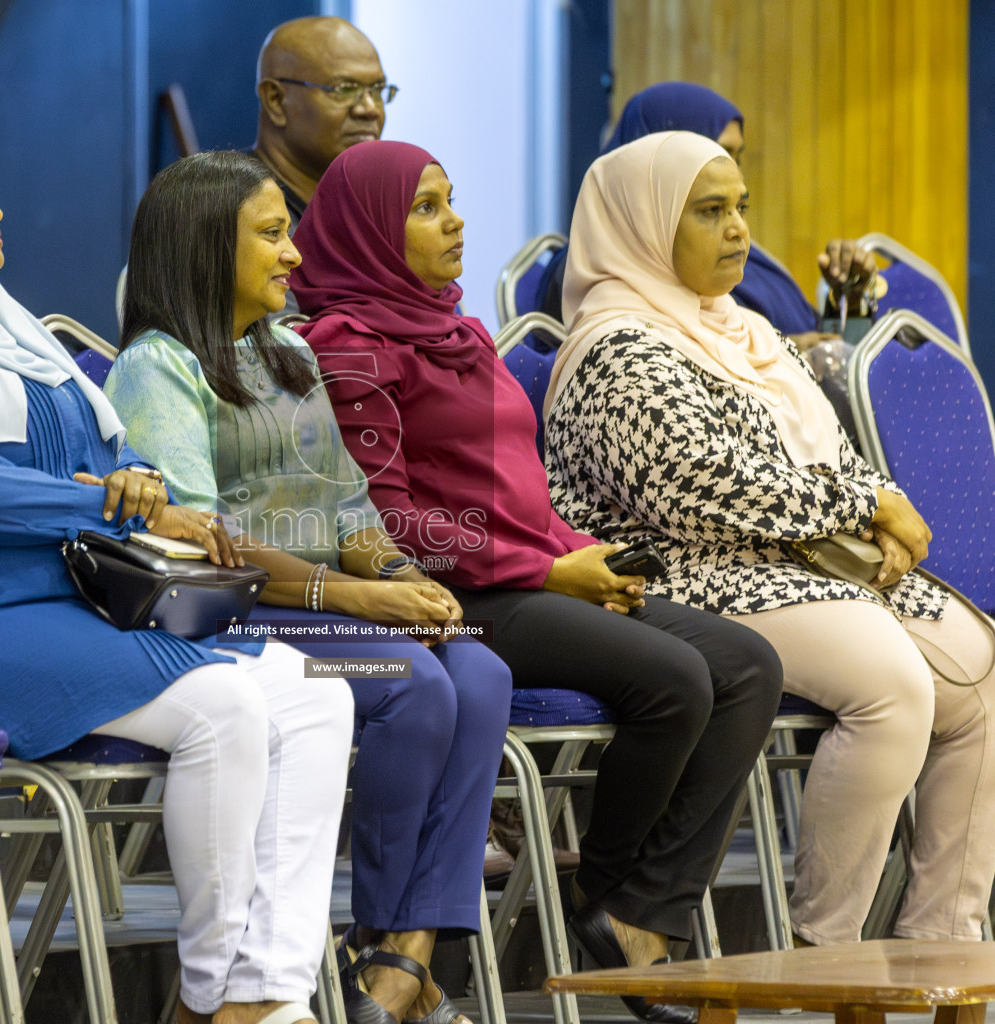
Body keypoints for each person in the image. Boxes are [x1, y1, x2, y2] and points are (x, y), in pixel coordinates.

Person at [0, 114, 352, 1024]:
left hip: (61, 608)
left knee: (318, 692)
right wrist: (109, 500)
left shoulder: (4, 331)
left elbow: (95, 457)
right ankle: (217, 996)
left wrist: (127, 482)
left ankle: (267, 988)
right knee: (224, 707)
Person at [291, 139, 784, 1024]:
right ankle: (598, 892)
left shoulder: (459, 329)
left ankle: (637, 912)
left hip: (529, 577)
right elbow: (391, 525)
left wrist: (585, 559)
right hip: (456, 600)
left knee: (748, 664)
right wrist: (551, 570)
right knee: (674, 680)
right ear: (369, 228)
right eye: (427, 207)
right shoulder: (349, 347)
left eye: (453, 201)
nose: (457, 222)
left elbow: (522, 487)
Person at [545, 129, 995, 945]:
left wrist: (874, 505)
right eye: (710, 212)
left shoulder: (747, 331)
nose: (739, 230)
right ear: (642, 224)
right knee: (894, 686)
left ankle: (943, 944)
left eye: (741, 208)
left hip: (802, 568)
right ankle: (824, 948)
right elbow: (698, 487)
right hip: (690, 576)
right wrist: (866, 503)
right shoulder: (615, 346)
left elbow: (834, 457)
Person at [103, 149, 511, 1024]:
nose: (294, 256)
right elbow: (207, 541)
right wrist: (355, 598)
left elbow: (350, 503)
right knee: (408, 688)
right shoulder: (158, 365)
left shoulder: (286, 351)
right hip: (237, 625)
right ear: (209, 247)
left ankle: (407, 950)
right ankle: (380, 944)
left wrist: (401, 576)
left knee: (482, 674)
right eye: (272, 235)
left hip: (327, 607)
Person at [250, 16, 393, 232]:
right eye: (344, 89)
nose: (370, 109)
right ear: (275, 100)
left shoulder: (375, 212)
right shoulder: (234, 218)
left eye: (377, 90)